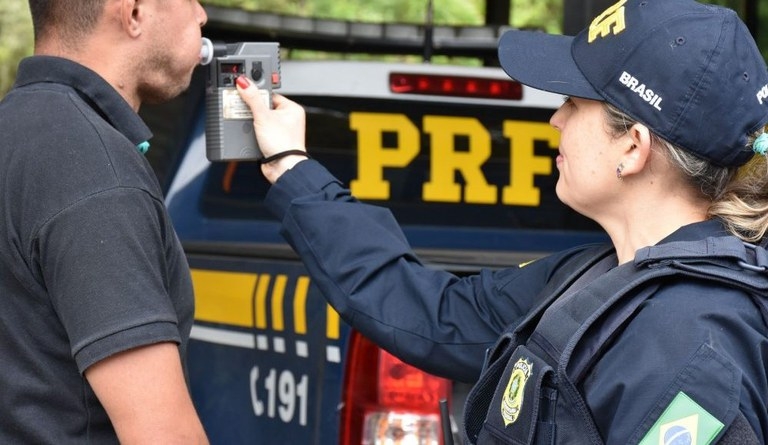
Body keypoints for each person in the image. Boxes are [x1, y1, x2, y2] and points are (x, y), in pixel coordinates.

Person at [238, 0, 768, 443]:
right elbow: (430, 313)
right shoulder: (596, 280)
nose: (555, 119)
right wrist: (292, 165)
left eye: (572, 103)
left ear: (633, 147)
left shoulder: (694, 342)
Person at [0, 1, 210, 443]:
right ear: (133, 12)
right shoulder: (94, 171)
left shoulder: (14, 129)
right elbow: (162, 434)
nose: (201, 15)